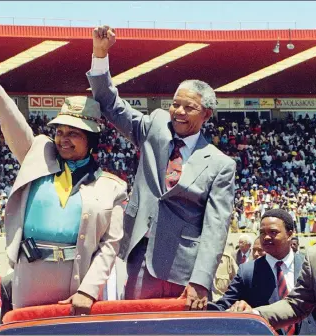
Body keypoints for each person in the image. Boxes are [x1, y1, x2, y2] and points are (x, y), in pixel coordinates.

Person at [0, 43, 127, 315]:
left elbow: (110, 246)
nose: (63, 139)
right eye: (60, 131)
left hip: (76, 284)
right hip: (29, 276)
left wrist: (88, 290)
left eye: (74, 133)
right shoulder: (37, 157)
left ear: (91, 141)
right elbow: (10, 119)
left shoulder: (112, 187)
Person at [88, 26, 236, 309]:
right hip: (140, 256)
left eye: (188, 107)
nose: (178, 112)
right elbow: (110, 103)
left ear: (206, 114)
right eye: (175, 104)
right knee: (138, 327)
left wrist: (201, 280)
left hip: (185, 270)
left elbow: (216, 227)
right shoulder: (155, 126)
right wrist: (100, 54)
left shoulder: (220, 164)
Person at [213, 209, 316, 334]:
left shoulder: (311, 266)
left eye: (273, 232)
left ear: (289, 234)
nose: (266, 237)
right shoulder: (247, 272)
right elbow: (223, 306)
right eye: (262, 233)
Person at [232, 241, 316, 334]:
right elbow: (298, 304)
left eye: (273, 232)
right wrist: (253, 314)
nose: (267, 237)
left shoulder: (305, 259)